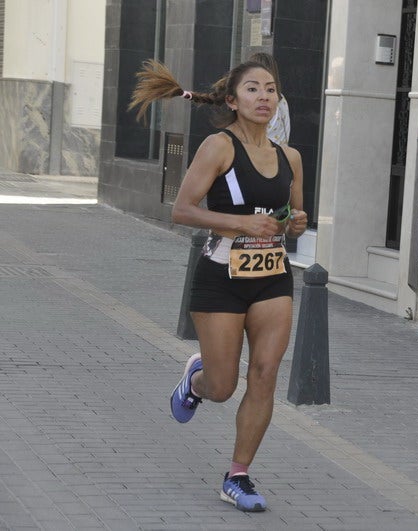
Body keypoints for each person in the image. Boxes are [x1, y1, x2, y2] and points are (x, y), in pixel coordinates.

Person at [128, 59, 308, 512]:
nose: (264, 97)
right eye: (252, 89)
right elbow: (183, 210)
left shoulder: (291, 159)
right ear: (233, 100)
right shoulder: (218, 147)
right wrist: (239, 221)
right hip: (220, 279)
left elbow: (293, 224)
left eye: (271, 89)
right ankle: (197, 379)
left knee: (265, 374)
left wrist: (296, 224)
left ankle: (238, 476)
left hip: (272, 279)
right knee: (224, 386)